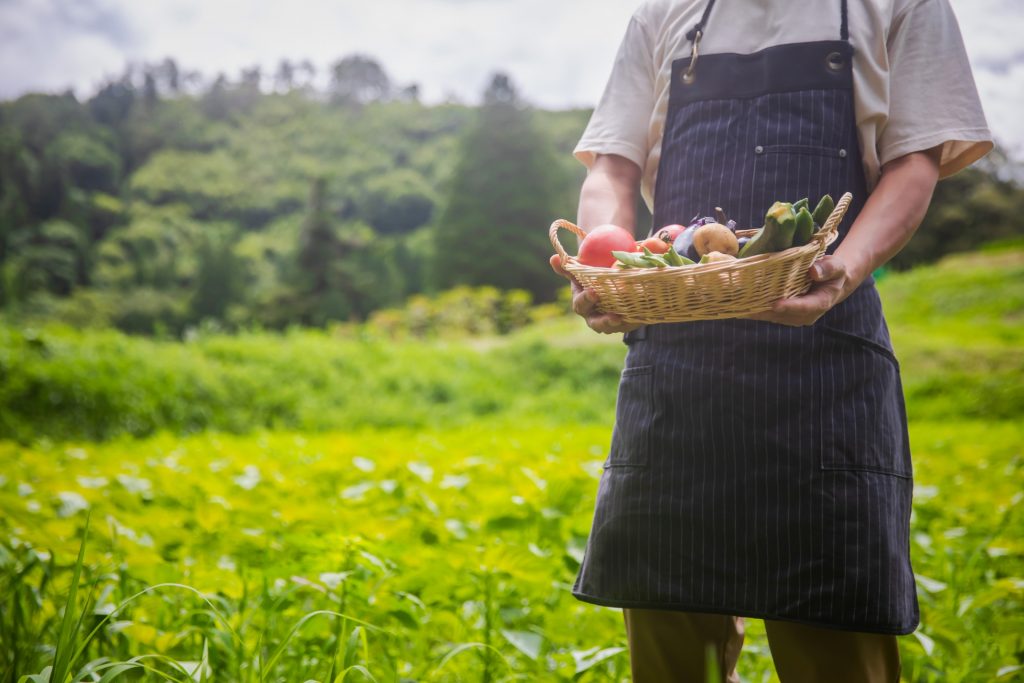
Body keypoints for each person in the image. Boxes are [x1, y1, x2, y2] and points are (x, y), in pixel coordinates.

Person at [550, 0, 993, 680]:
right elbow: (612, 168)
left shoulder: (902, 5)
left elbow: (916, 164)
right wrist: (607, 268)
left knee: (835, 635)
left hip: (826, 368)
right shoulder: (664, 13)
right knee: (673, 645)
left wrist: (839, 271)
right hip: (679, 375)